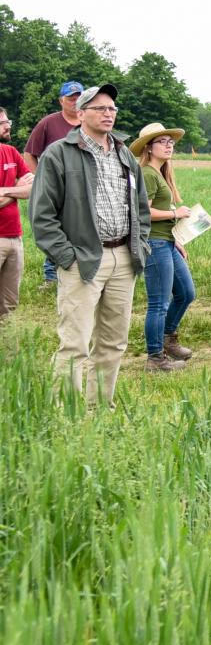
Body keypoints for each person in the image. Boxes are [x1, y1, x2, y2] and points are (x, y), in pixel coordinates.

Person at [29, 84, 150, 408]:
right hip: (82, 261)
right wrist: (66, 257)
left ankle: (99, 411)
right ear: (80, 114)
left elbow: (140, 207)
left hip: (124, 259)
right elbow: (41, 216)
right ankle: (67, 415)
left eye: (112, 109)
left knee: (113, 342)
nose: (108, 114)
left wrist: (140, 245)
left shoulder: (124, 153)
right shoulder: (59, 153)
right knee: (75, 343)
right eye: (100, 108)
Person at [131, 122, 196, 371]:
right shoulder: (147, 173)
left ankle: (168, 338)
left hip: (167, 241)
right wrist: (175, 212)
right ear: (148, 147)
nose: (169, 146)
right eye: (162, 142)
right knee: (159, 302)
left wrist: (176, 239)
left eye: (171, 142)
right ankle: (155, 357)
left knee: (186, 293)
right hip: (154, 244)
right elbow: (142, 211)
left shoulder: (160, 173)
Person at [23, 81, 84, 288]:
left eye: (79, 97)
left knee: (78, 228)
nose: (75, 102)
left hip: (81, 188)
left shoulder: (88, 123)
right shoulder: (48, 123)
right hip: (56, 187)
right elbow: (29, 153)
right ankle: (51, 276)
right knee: (54, 227)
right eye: (70, 98)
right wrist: (41, 178)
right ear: (61, 101)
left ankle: (78, 270)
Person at [0, 106, 34, 318]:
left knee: (9, 303)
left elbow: (32, 188)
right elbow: (24, 188)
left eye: (7, 121)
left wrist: (5, 190)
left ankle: (4, 347)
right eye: (2, 122)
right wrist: (17, 188)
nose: (7, 125)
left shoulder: (10, 152)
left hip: (15, 237)